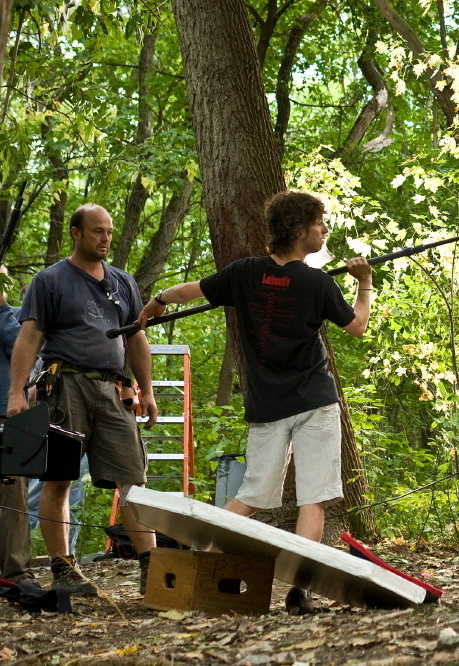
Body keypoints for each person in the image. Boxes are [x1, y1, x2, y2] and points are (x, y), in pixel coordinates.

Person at [137, 190, 373, 613]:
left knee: (251, 495)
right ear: (300, 232)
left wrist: (155, 303)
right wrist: (365, 283)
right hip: (315, 401)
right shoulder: (317, 283)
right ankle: (300, 588)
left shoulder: (244, 273)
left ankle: (199, 564)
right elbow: (357, 326)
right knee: (313, 497)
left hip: (268, 405)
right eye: (321, 223)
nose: (325, 231)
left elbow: (190, 291)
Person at [7, 204, 160, 596]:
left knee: (133, 480)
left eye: (109, 231)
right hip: (65, 386)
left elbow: (136, 338)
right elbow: (29, 338)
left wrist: (147, 391)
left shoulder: (123, 283)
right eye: (97, 232)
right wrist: (15, 392)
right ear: (76, 233)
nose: (105, 239)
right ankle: (64, 568)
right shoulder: (50, 280)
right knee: (58, 477)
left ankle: (153, 567)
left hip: (114, 390)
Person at [0, 265, 34, 585]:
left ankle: (16, 573)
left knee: (12, 494)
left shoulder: (14, 317)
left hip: (1, 418)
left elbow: (27, 354)